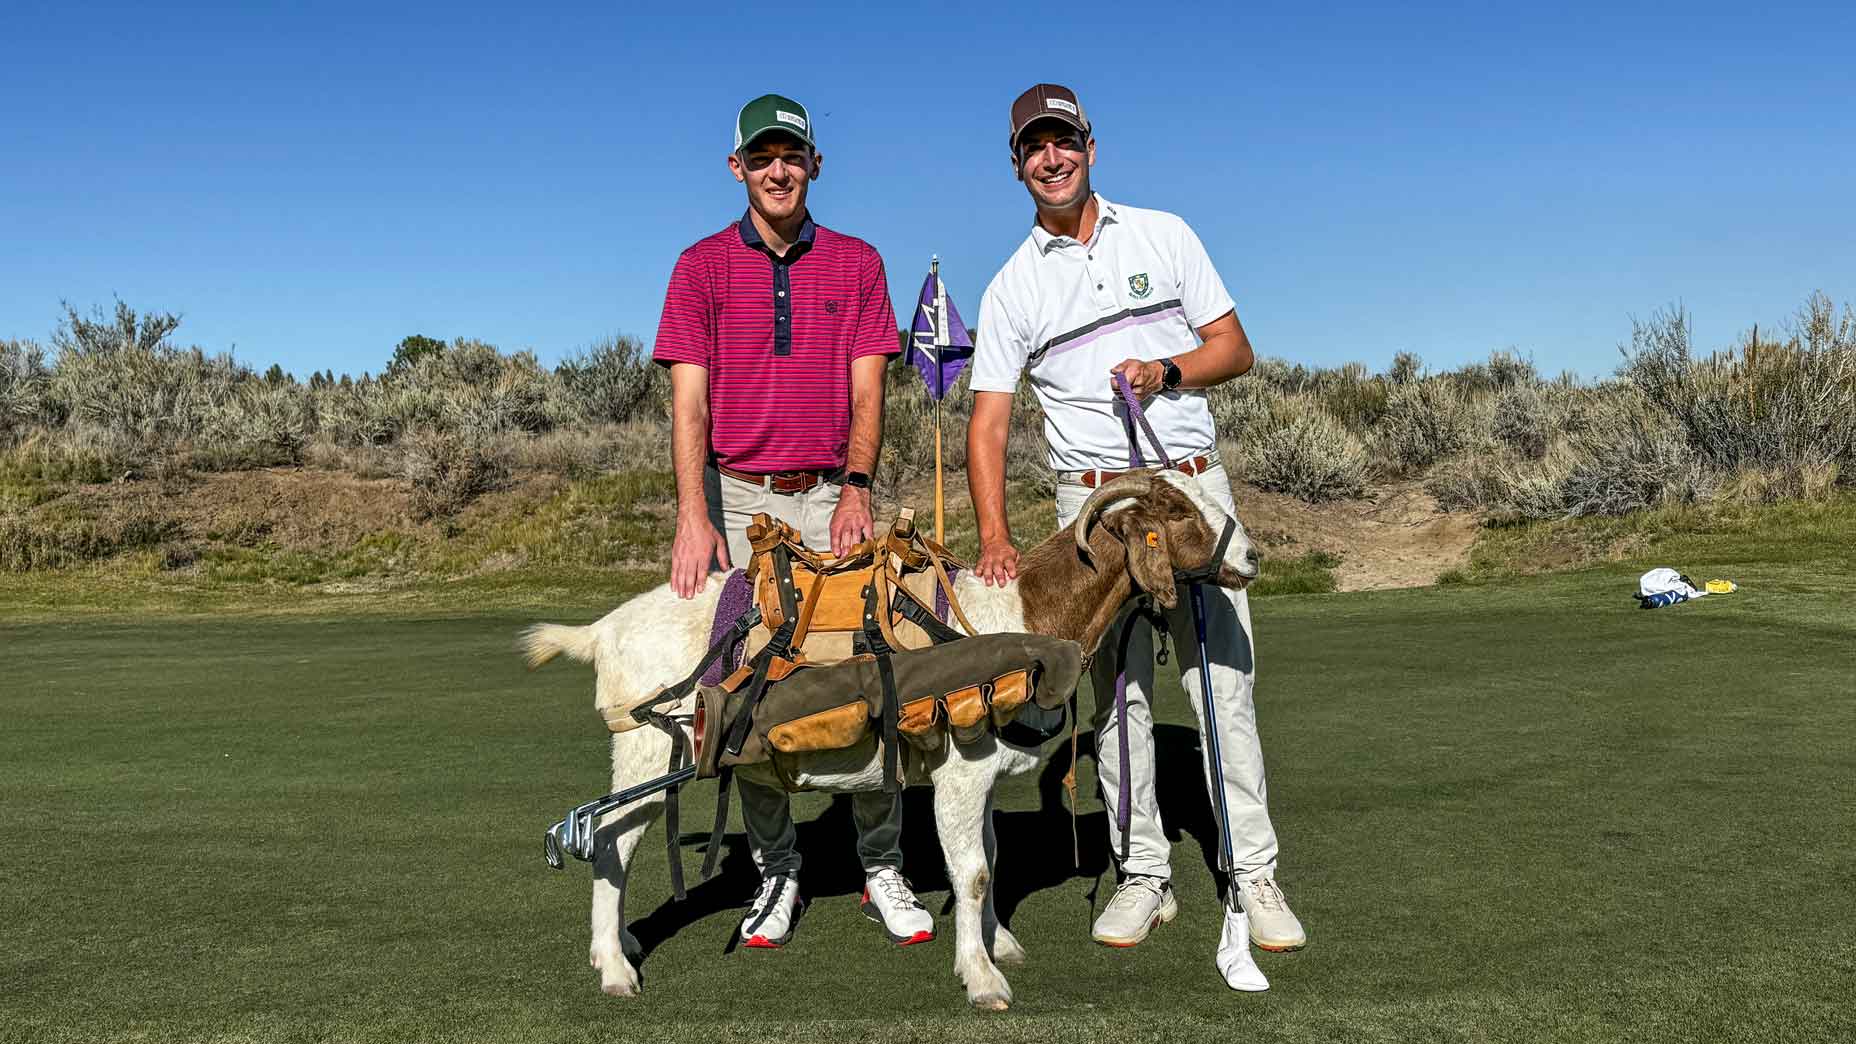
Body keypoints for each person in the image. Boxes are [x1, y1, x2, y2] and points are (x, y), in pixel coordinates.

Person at [965, 83, 1306, 986]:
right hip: (1092, 520)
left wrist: (1166, 368)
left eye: (1064, 140)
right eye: (1034, 146)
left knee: (1221, 690)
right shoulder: (1012, 285)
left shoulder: (1165, 234)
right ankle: (1145, 873)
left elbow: (1234, 348)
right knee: (1116, 702)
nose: (1052, 158)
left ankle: (1255, 876)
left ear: (1090, 145)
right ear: (1017, 163)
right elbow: (989, 425)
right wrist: (996, 536)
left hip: (1187, 495)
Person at [651, 93, 932, 949]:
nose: (779, 171)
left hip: (829, 496)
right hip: (740, 498)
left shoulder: (855, 263)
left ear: (815, 166)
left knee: (873, 667)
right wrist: (694, 516)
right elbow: (689, 404)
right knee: (751, 688)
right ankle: (778, 870)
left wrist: (856, 487)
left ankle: (882, 863)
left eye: (794, 157)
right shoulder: (699, 267)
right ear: (738, 167)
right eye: (763, 157)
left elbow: (867, 388)